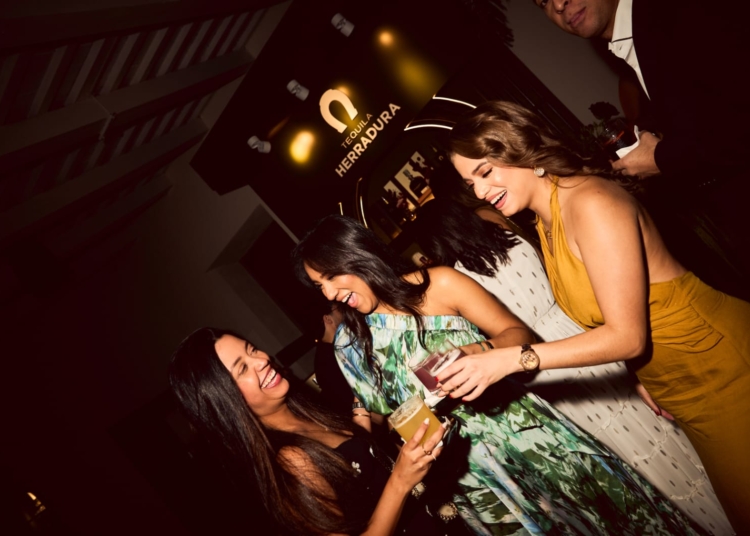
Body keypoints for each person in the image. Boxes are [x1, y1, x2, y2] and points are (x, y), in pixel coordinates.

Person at [293, 214, 705, 536]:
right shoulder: (349, 343)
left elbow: (519, 334)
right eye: (318, 286)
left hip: (531, 438)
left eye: (330, 277)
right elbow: (381, 418)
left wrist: (480, 352)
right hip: (470, 478)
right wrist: (385, 426)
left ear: (356, 254)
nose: (328, 294)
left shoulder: (439, 284)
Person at [447, 100, 750, 532]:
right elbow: (617, 311)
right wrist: (641, 373)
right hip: (681, 384)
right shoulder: (546, 219)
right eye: (470, 183)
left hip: (723, 366)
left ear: (520, 149)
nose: (479, 192)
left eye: (485, 172)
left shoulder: (589, 201)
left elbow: (627, 335)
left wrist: (511, 358)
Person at [411, 198, 732, 533]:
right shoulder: (507, 233)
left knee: (619, 450)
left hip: (541, 363)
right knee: (654, 423)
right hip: (580, 336)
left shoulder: (457, 280)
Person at [532, 0, 750, 298]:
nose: (558, 4)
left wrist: (662, 158)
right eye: (542, 3)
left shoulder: (684, 13)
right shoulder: (638, 42)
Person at [168, 327, 450, 536]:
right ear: (225, 403)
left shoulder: (304, 412)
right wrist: (400, 481)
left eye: (251, 349)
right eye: (242, 368)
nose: (262, 359)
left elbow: (352, 466)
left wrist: (366, 417)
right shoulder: (290, 460)